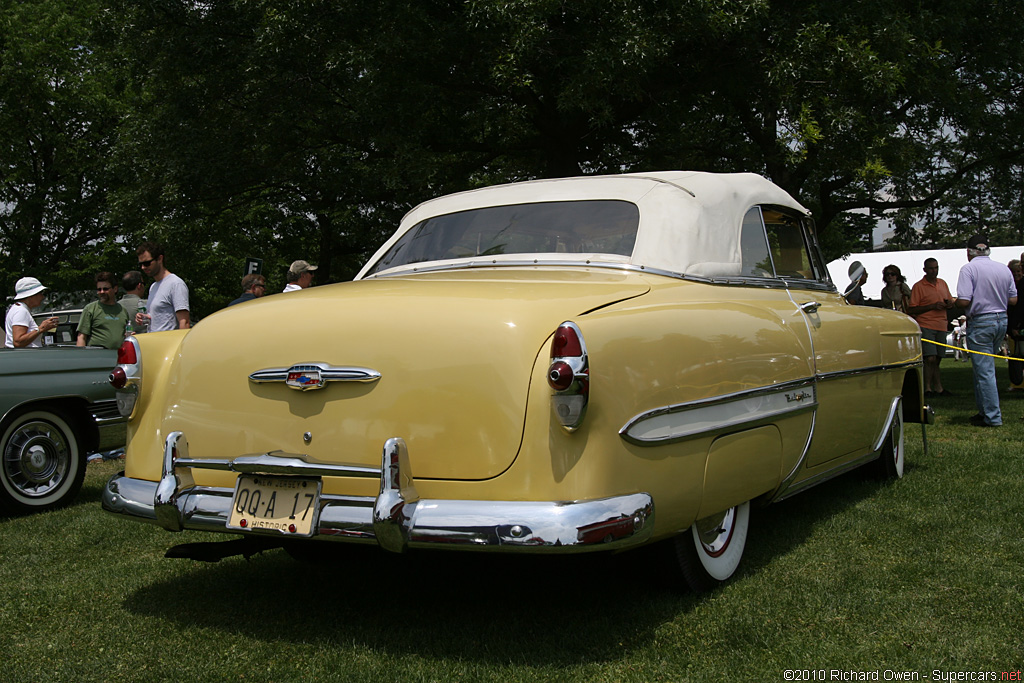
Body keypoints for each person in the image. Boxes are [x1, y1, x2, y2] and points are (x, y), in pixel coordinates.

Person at [955, 234, 1018, 427]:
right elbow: (1013, 300)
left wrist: (953, 302)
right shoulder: (1003, 269)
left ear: (969, 252)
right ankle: (984, 411)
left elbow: (964, 301)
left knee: (984, 371)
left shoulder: (968, 269)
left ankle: (993, 417)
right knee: (982, 369)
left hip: (981, 321)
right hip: (1001, 319)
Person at [908, 258, 955, 396]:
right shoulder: (919, 286)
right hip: (926, 324)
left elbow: (950, 299)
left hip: (941, 324)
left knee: (939, 357)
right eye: (931, 268)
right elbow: (912, 309)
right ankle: (927, 388)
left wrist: (949, 304)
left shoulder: (943, 283)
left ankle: (938, 387)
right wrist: (932, 306)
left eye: (936, 268)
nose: (934, 271)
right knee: (930, 358)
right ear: (925, 270)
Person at [136, 241, 191, 331]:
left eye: (147, 263)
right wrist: (145, 317)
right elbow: (159, 318)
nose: (143, 267)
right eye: (141, 264)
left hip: (169, 343)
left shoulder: (176, 284)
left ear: (160, 259)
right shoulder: (153, 286)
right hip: (154, 342)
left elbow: (184, 322)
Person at [76, 271, 129, 349]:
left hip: (119, 356)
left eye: (105, 289)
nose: (101, 292)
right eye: (99, 289)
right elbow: (81, 337)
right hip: (97, 357)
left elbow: (126, 335)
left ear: (115, 289)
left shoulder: (123, 310)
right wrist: (81, 358)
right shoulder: (90, 309)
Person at [5, 277, 58, 348]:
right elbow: (18, 342)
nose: (42, 297)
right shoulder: (21, 311)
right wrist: (41, 329)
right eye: (40, 293)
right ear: (30, 296)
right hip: (24, 357)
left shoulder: (18, 309)